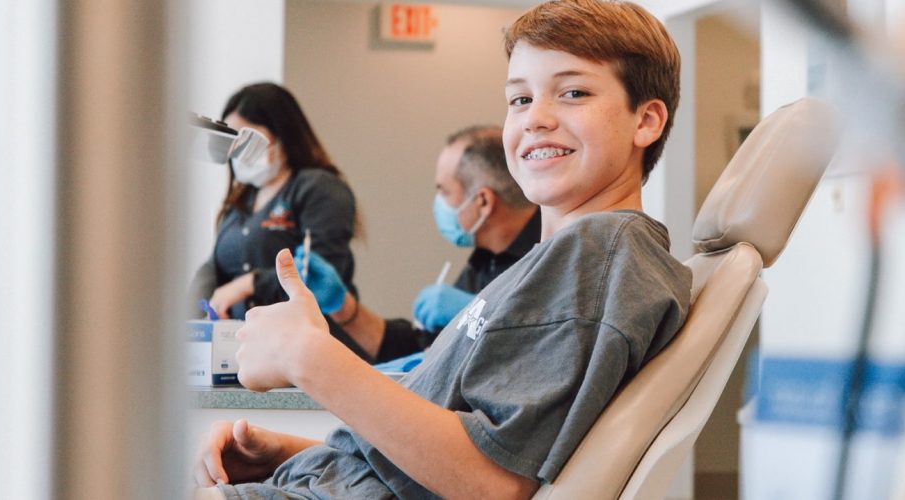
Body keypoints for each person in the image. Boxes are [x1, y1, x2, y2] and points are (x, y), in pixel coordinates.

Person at [193, 1, 690, 498]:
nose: (535, 117)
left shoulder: (598, 253)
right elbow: (439, 459)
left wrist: (308, 357)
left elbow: (490, 482)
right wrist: (289, 451)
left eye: (573, 92)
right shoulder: (556, 264)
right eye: (519, 99)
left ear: (645, 121)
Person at [294, 125, 541, 362]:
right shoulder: (484, 262)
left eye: (444, 191)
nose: (437, 203)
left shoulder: (548, 258)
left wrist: (479, 314)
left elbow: (542, 353)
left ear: (483, 201)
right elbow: (421, 350)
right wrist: (343, 306)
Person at [189, 82, 370, 357]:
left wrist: (250, 283)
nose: (239, 151)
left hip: (311, 351)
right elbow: (216, 267)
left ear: (282, 134)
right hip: (249, 352)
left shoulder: (318, 188)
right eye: (233, 141)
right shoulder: (241, 202)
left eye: (247, 137)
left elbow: (320, 270)